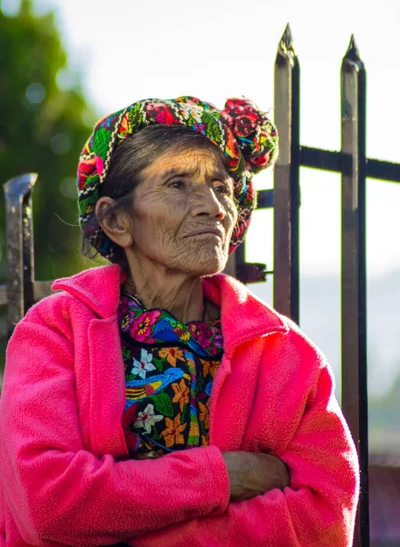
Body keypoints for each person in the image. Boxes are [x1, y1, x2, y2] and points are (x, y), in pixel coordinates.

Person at [0, 96, 359, 547]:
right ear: (117, 221)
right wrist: (228, 475)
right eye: (178, 184)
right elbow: (48, 504)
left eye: (222, 187)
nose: (213, 206)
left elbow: (324, 521)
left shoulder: (285, 353)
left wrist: (128, 525)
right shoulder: (56, 332)